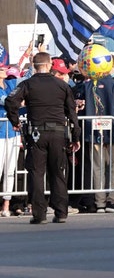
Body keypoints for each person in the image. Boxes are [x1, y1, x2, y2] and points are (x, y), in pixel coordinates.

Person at [3, 52, 81, 224]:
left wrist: (15, 122)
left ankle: (39, 214)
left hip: (36, 134)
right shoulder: (62, 86)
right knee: (57, 173)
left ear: (34, 65)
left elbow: (10, 101)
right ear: (49, 65)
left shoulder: (27, 84)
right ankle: (61, 212)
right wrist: (76, 136)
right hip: (58, 133)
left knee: (37, 174)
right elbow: (72, 112)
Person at [80, 56, 114, 213]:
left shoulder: (87, 87)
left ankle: (100, 202)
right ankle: (112, 201)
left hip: (94, 134)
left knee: (98, 168)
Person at [0, 64, 20, 217]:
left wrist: (32, 58)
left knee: (10, 170)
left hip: (12, 134)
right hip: (0, 135)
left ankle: (6, 205)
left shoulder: (11, 84)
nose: (5, 71)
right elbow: (7, 101)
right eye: (1, 69)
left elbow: (26, 81)